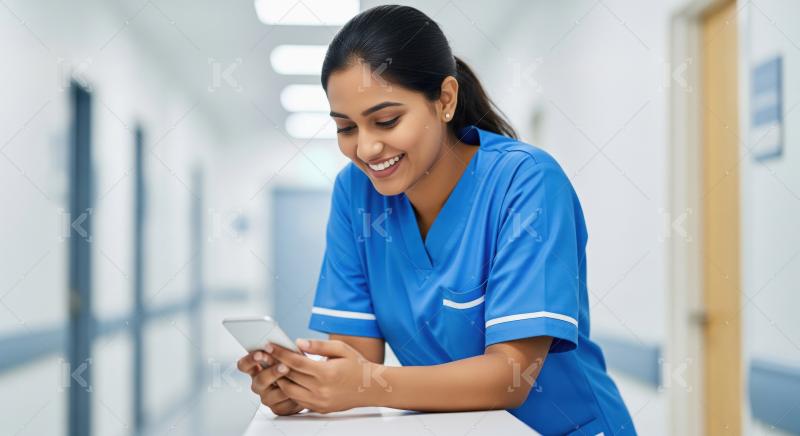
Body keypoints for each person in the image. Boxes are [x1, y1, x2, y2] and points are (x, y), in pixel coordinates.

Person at [238, 5, 636, 434]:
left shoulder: (525, 181)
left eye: (386, 120)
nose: (367, 149)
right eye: (346, 128)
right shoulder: (355, 194)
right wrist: (307, 386)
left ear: (445, 100)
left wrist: (365, 385)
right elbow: (356, 355)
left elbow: (509, 378)